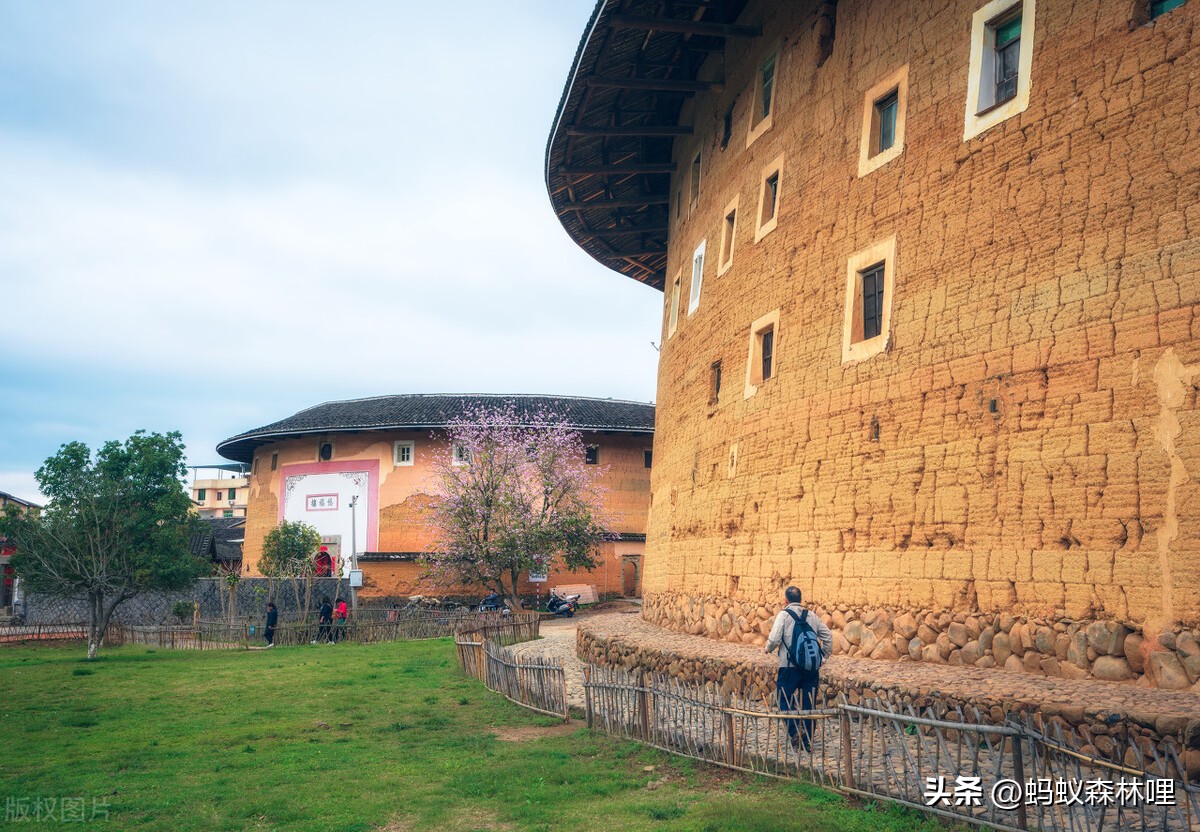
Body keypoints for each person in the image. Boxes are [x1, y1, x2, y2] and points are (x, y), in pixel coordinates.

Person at [765, 586, 833, 752]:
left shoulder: (783, 615)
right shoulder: (811, 615)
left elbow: (774, 638)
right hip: (811, 669)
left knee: (784, 699)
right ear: (800, 599)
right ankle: (807, 741)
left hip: (789, 667)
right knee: (809, 704)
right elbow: (828, 637)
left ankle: (795, 730)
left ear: (786, 601)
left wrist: (768, 648)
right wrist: (823, 657)